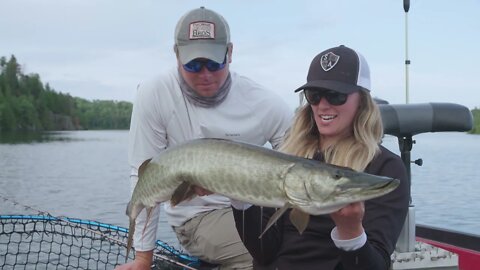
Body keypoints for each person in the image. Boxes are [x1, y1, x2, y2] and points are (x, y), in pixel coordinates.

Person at [115, 6, 293, 270]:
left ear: (230, 53)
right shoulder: (155, 93)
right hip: (200, 216)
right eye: (193, 64)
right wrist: (143, 257)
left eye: (213, 62)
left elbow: (302, 161)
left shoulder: (265, 104)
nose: (205, 74)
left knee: (306, 249)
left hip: (258, 209)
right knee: (262, 260)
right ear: (176, 56)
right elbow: (142, 177)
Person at [231, 45, 410, 270]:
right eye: (314, 95)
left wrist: (351, 232)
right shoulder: (285, 158)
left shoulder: (384, 169)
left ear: (362, 101)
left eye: (336, 95)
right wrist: (240, 197)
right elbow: (264, 252)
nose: (323, 105)